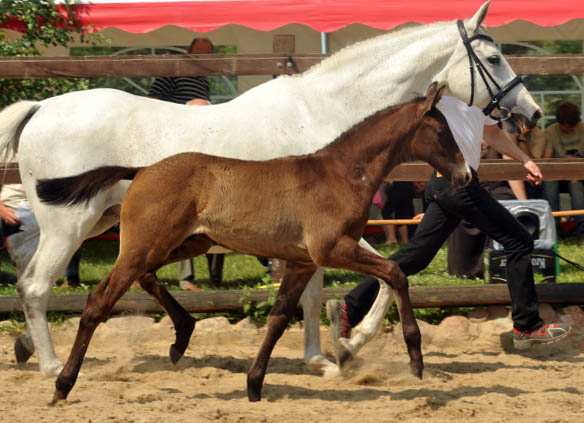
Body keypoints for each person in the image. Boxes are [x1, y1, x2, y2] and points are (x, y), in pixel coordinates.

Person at [327, 95, 571, 352]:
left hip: (448, 184)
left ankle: (349, 308)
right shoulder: (445, 99)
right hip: (456, 182)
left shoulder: (479, 99)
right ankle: (527, 326)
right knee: (519, 241)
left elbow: (493, 134)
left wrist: (525, 159)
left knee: (416, 257)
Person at [148, 37, 224, 290]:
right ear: (189, 52)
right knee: (182, 211)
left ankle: (215, 277)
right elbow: (153, 104)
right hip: (176, 141)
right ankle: (185, 278)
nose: (204, 59)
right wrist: (184, 112)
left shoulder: (203, 78)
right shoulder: (172, 71)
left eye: (208, 54)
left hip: (202, 142)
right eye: (200, 54)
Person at [446, 140, 527, 279]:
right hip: (467, 188)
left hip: (497, 189)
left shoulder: (499, 137)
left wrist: (525, 205)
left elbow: (511, 173)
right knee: (458, 208)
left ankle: (498, 262)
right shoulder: (457, 136)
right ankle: (466, 267)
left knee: (504, 205)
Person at [0, 183, 81, 286]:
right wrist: (3, 211)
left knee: (68, 225)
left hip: (41, 210)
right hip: (7, 208)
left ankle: (72, 279)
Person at [542, 102, 584, 240]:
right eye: (565, 128)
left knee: (576, 185)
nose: (569, 130)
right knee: (549, 183)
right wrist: (564, 164)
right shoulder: (551, 131)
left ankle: (582, 230)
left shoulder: (582, 129)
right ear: (559, 123)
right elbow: (547, 160)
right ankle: (554, 230)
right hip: (558, 175)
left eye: (572, 127)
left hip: (579, 175)